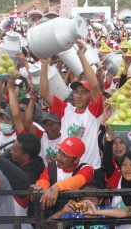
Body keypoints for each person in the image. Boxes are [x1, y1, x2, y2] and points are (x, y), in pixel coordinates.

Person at [39, 40, 103, 186]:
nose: (78, 96)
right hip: (68, 170)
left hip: (91, 169)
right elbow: (43, 93)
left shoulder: (94, 112)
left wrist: (81, 55)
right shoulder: (66, 110)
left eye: (84, 93)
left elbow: (94, 85)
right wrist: (44, 65)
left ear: (90, 96)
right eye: (76, 92)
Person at [32, 137, 94, 215]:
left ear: (76, 160)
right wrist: (40, 188)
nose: (58, 157)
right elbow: (43, 182)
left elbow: (76, 182)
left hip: (76, 217)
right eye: (59, 152)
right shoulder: (51, 167)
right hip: (54, 217)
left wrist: (56, 187)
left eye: (64, 155)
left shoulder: (86, 169)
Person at [50, 182, 129, 225]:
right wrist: (61, 212)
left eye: (91, 201)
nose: (86, 203)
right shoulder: (74, 213)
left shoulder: (105, 212)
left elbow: (124, 213)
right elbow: (48, 224)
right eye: (82, 200)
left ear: (100, 201)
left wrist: (97, 212)